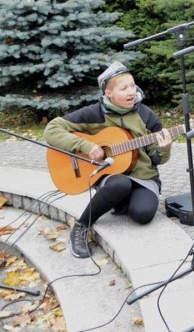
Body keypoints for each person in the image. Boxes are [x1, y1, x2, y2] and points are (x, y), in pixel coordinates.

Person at [43, 62, 173, 258]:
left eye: (132, 85)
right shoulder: (95, 113)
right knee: (119, 184)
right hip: (112, 177)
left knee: (144, 214)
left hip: (144, 178)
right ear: (108, 93)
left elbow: (156, 159)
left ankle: (118, 201)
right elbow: (51, 129)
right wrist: (87, 146)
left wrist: (165, 148)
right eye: (124, 88)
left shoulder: (146, 115)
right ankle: (81, 226)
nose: (131, 92)